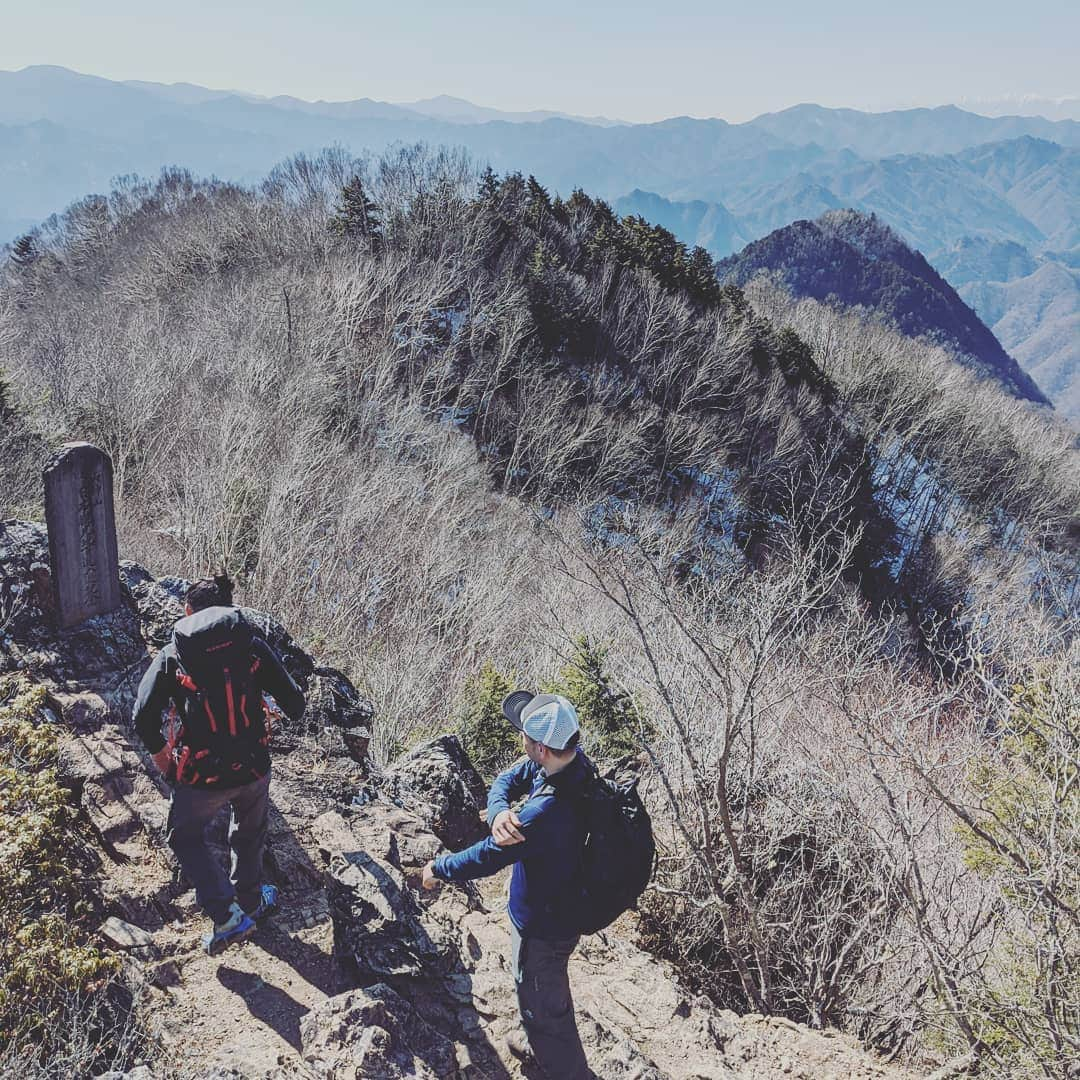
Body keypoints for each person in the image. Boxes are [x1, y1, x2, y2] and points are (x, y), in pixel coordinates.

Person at [422, 691, 594, 1080]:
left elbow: (486, 857)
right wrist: (499, 810)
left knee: (546, 1007)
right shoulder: (570, 764)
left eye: (525, 736)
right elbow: (508, 778)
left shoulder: (544, 812)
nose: (521, 739)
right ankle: (539, 1042)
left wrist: (439, 868)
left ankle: (564, 1068)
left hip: (543, 930)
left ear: (541, 747)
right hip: (556, 912)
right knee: (539, 998)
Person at [133, 574, 306, 954]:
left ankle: (226, 915)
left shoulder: (173, 656)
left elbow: (142, 717)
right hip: (255, 767)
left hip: (203, 774)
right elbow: (295, 705)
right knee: (250, 831)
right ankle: (250, 901)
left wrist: (164, 758)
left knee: (184, 834)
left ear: (187, 611)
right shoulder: (252, 647)